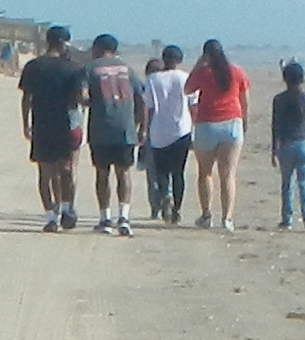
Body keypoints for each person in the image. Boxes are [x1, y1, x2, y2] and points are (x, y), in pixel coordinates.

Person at [15, 27, 89, 230]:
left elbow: (26, 98)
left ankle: (50, 217)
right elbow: (80, 97)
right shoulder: (74, 68)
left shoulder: (33, 66)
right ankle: (66, 209)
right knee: (66, 171)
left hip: (41, 124)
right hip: (65, 124)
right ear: (63, 43)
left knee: (45, 173)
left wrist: (25, 124)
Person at [185, 38, 249, 227]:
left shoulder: (203, 72)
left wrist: (198, 65)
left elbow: (187, 89)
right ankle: (227, 218)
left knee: (205, 173)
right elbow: (245, 100)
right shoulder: (237, 72)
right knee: (228, 175)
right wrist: (244, 122)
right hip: (232, 123)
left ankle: (206, 215)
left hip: (207, 125)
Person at [83, 35, 143, 233]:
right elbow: (141, 99)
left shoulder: (90, 69)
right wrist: (142, 127)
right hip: (125, 128)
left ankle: (105, 219)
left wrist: (91, 102)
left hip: (101, 128)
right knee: (123, 173)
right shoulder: (128, 69)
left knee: (102, 173)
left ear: (98, 48)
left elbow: (82, 95)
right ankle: (124, 217)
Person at [138, 45, 194, 222]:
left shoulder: (152, 79)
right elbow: (193, 105)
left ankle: (165, 196)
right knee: (178, 172)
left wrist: (144, 129)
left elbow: (148, 107)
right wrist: (195, 128)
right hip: (182, 130)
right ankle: (177, 209)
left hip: (159, 131)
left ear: (164, 60)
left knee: (161, 171)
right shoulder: (186, 78)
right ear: (180, 60)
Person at [269, 58, 305, 228]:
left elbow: (276, 125)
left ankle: (287, 218)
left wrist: (274, 150)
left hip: (287, 144)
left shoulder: (279, 99)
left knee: (287, 184)